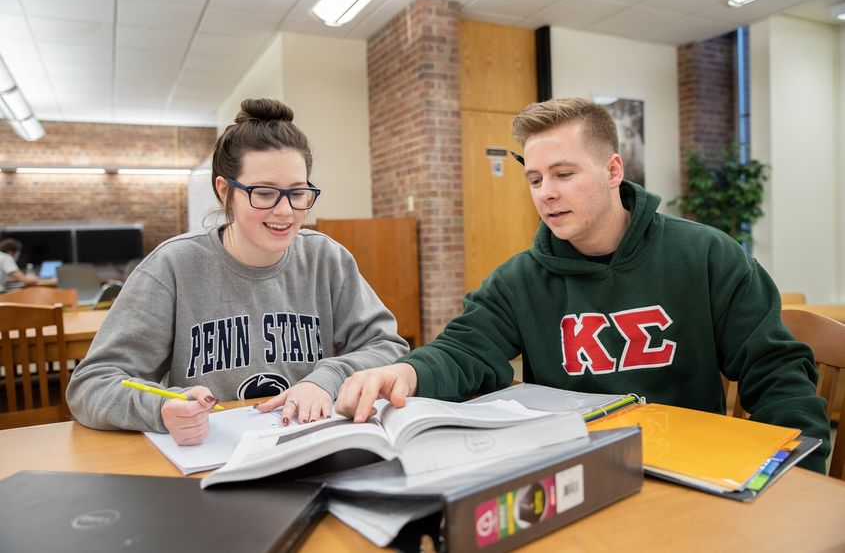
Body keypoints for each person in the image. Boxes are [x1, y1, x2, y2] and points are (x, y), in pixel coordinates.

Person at [336, 97, 830, 473]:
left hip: (687, 469)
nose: (546, 193)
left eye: (563, 174)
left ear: (613, 170)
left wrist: (799, 480)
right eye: (534, 179)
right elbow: (464, 351)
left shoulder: (706, 256)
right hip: (573, 473)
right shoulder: (519, 279)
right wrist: (405, 375)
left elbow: (776, 373)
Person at [67, 98, 409, 445]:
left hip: (309, 450)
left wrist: (325, 378)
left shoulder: (326, 258)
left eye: (297, 193)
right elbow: (91, 384)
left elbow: (388, 347)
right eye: (264, 193)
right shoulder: (172, 266)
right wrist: (159, 408)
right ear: (224, 191)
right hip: (210, 462)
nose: (285, 212)